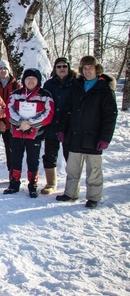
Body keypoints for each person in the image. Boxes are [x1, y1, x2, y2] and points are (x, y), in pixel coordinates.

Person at [56, 56, 117, 209]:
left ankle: (93, 197)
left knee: (94, 170)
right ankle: (70, 193)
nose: (88, 71)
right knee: (72, 168)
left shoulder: (104, 89)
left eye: (90, 68)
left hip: (94, 137)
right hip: (75, 135)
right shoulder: (77, 86)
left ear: (97, 69)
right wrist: (62, 130)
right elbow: (67, 111)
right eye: (85, 68)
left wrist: (105, 138)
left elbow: (110, 116)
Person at [4, 68, 54, 198]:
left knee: (33, 160)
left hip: (34, 133)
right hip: (17, 132)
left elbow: (48, 114)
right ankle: (14, 183)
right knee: (15, 158)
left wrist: (31, 123)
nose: (30, 81)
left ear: (38, 80)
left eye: (33, 78)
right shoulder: (16, 94)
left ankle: (32, 185)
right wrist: (20, 122)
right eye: (28, 78)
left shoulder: (45, 95)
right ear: (24, 80)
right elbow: (9, 109)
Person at [40, 57, 75, 194]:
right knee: (49, 155)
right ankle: (51, 183)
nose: (62, 69)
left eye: (64, 66)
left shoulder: (75, 83)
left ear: (69, 68)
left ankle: (71, 184)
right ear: (54, 69)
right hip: (51, 125)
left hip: (69, 126)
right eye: (59, 66)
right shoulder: (49, 85)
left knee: (70, 157)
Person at [0, 60, 21, 182]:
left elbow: (18, 105)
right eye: (0, 68)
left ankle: (12, 174)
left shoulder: (16, 85)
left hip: (11, 123)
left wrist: (6, 121)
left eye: (5, 68)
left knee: (11, 149)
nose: (3, 71)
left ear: (9, 70)